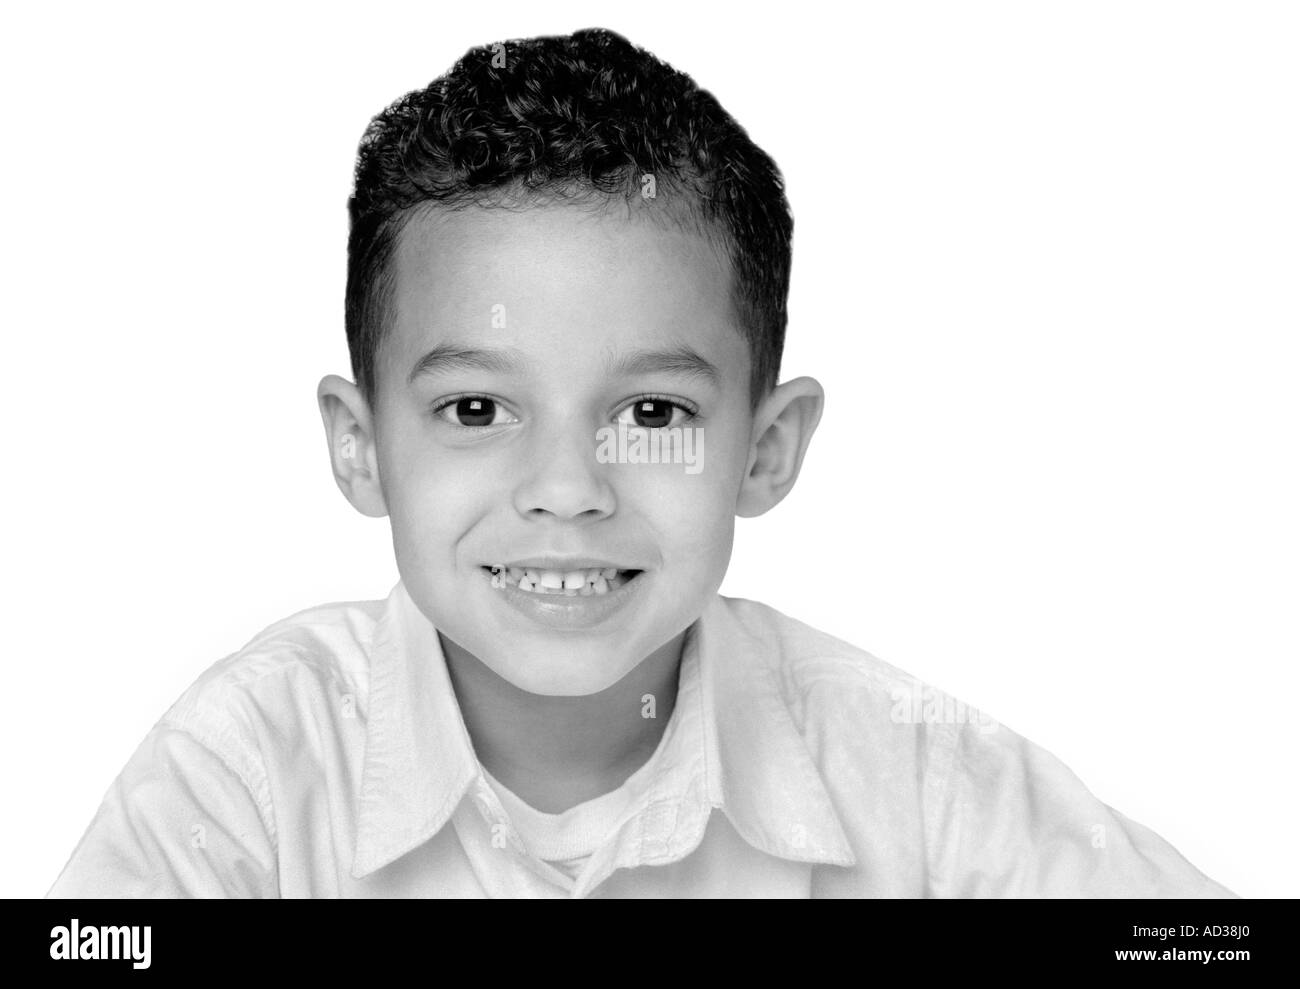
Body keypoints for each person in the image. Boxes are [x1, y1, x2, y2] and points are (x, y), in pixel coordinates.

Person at [47, 27, 1235, 898]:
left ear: (764, 451)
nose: (567, 485)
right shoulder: (255, 766)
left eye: (654, 410)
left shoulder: (901, 768)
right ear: (360, 448)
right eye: (475, 405)